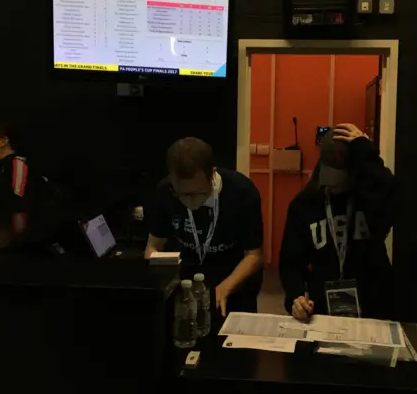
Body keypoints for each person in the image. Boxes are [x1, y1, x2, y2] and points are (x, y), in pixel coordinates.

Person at [279, 123, 397, 321]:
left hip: (374, 307)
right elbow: (291, 263)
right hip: (323, 309)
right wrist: (295, 297)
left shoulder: (370, 196)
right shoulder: (304, 205)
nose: (332, 184)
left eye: (339, 177)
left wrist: (367, 153)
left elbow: (395, 195)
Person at [145, 137, 263, 317]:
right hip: (184, 280)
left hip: (232, 279)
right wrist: (157, 284)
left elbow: (253, 256)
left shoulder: (242, 192)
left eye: (195, 194)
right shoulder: (165, 191)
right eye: (181, 195)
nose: (188, 202)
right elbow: (154, 245)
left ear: (212, 175)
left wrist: (225, 288)